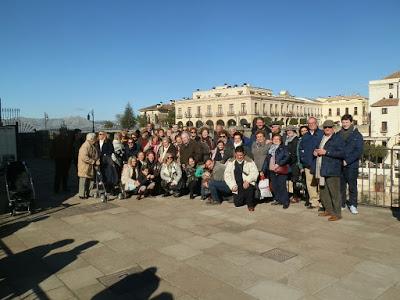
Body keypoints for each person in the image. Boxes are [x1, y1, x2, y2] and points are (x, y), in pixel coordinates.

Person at [314, 120, 345, 221]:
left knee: (334, 193)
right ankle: (329, 210)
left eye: (329, 127)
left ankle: (337, 214)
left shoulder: (338, 138)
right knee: (324, 192)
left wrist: (326, 152)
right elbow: (319, 149)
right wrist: (316, 151)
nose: (327, 129)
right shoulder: (322, 138)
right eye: (325, 127)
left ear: (333, 128)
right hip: (322, 168)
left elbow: (342, 153)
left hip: (332, 169)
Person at [339, 114, 364, 214]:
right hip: (340, 164)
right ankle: (342, 203)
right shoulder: (338, 134)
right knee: (341, 186)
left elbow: (358, 151)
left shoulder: (357, 135)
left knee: (352, 186)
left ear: (351, 122)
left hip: (351, 165)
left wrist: (347, 161)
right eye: (343, 122)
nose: (345, 124)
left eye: (347, 122)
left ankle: (353, 205)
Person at [298, 117, 323, 209]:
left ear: (316, 123)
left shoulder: (322, 134)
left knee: (320, 183)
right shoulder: (305, 136)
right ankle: (314, 201)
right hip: (308, 163)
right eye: (309, 123)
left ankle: (322, 201)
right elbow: (300, 149)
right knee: (310, 183)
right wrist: (303, 159)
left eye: (313, 123)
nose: (311, 125)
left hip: (319, 163)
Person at [224, 146, 259, 211]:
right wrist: (232, 185)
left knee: (249, 188)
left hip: (247, 183)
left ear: (244, 154)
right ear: (235, 154)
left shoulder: (249, 161)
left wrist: (248, 181)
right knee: (238, 204)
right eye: (238, 155)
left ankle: (250, 204)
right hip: (237, 184)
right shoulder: (231, 162)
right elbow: (227, 175)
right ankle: (245, 197)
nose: (239, 157)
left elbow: (255, 172)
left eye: (241, 155)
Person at [264, 134, 290, 209]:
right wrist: (264, 169)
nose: (275, 140)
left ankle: (285, 202)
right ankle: (278, 199)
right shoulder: (271, 148)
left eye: (277, 139)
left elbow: (287, 157)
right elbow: (267, 160)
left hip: (281, 169)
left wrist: (279, 164)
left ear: (280, 140)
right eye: (274, 139)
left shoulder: (284, 147)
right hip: (271, 169)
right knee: (275, 186)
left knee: (282, 186)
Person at [77, 133, 99, 199]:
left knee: (91, 180)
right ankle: (82, 194)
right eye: (95, 138)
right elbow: (84, 157)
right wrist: (93, 161)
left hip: (90, 166)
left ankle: (88, 193)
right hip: (84, 167)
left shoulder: (92, 145)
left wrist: (97, 160)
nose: (96, 140)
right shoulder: (85, 146)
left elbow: (95, 154)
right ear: (91, 139)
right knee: (83, 180)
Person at [51, 128, 73, 193]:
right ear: (60, 132)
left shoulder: (68, 139)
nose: (64, 132)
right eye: (62, 131)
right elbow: (53, 148)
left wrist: (70, 157)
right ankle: (56, 189)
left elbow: (70, 148)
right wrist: (53, 156)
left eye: (65, 131)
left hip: (66, 159)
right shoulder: (56, 139)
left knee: (65, 174)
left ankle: (64, 187)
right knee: (58, 174)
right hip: (59, 159)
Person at [285, 126, 301, 203]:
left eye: (290, 131)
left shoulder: (296, 139)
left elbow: (295, 152)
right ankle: (293, 195)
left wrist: (290, 160)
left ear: (294, 131)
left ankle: (296, 196)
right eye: (287, 131)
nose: (288, 132)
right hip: (289, 162)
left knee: (295, 180)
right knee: (291, 180)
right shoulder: (287, 140)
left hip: (294, 162)